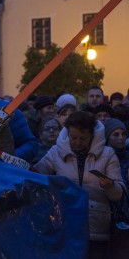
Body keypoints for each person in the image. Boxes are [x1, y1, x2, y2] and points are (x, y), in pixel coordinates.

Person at [34, 111, 124, 258]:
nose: (77, 142)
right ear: (67, 133)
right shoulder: (55, 153)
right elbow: (35, 175)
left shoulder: (108, 154)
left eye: (83, 138)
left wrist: (109, 187)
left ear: (92, 136)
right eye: (73, 137)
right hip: (64, 224)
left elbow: (118, 194)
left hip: (96, 227)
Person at [104, 118, 129, 259]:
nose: (121, 138)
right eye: (116, 134)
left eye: (123, 134)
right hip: (107, 216)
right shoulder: (102, 158)